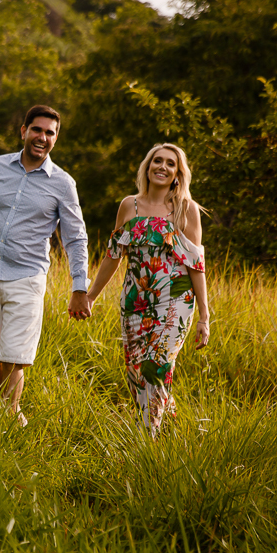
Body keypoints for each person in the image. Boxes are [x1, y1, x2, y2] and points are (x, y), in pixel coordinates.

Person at [0, 105, 92, 427]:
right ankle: (12, 414)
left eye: (50, 133)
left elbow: (75, 239)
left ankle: (8, 420)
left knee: (15, 358)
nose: (43, 137)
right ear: (23, 131)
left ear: (56, 139)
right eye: (37, 130)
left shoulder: (63, 184)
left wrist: (79, 286)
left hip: (27, 277)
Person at [85, 143, 210, 437]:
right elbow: (112, 256)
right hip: (135, 300)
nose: (162, 167)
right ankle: (172, 429)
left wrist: (204, 315)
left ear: (178, 173)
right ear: (148, 166)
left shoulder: (186, 210)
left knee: (156, 366)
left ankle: (147, 440)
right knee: (136, 371)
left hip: (175, 299)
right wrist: (90, 296)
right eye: (157, 161)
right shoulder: (130, 206)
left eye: (170, 163)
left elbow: (196, 264)